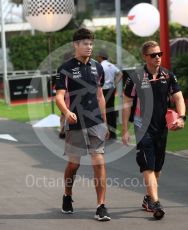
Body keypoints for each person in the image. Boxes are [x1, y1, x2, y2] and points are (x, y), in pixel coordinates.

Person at [122, 41, 186, 220]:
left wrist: (181, 118)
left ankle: (148, 197)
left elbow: (178, 97)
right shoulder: (135, 77)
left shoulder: (168, 75)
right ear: (145, 57)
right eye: (153, 55)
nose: (157, 57)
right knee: (148, 165)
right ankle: (156, 203)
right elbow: (126, 102)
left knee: (157, 167)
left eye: (160, 54)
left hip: (162, 126)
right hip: (143, 127)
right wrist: (125, 128)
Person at [55, 28, 111, 221]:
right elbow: (59, 97)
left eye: (91, 44)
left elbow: (100, 95)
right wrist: (66, 112)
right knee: (74, 164)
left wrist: (105, 123)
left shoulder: (98, 67)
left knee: (99, 162)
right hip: (75, 122)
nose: (89, 47)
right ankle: (67, 195)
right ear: (76, 45)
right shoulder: (65, 68)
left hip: (95, 122)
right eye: (85, 44)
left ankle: (101, 206)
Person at [97, 50, 123, 139]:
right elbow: (120, 74)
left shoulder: (100, 66)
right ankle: (113, 133)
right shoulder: (112, 65)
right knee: (111, 110)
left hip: (103, 90)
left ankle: (106, 133)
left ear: (100, 57)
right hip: (111, 89)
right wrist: (115, 83)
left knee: (104, 111)